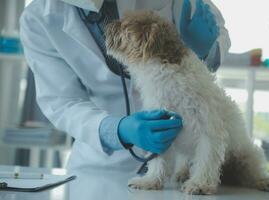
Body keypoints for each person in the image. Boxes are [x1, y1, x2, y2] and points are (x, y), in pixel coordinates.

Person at [20, 0, 231, 171]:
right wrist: (117, 130)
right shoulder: (38, 19)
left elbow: (213, 26)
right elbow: (62, 102)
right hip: (101, 167)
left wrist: (205, 51)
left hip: (182, 159)